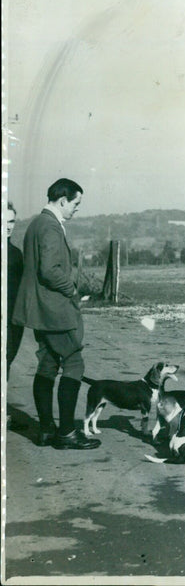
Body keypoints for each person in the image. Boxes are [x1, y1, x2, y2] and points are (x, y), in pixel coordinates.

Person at [12, 178, 101, 450]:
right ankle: (66, 433)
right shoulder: (50, 226)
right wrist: (72, 289)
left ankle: (47, 431)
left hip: (40, 310)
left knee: (49, 362)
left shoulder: (36, 224)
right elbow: (50, 271)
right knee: (73, 362)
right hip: (53, 309)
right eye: (76, 203)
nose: (77, 209)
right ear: (62, 201)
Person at [6, 202, 25, 371]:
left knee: (6, 365)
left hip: (13, 322)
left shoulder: (16, 254)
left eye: (11, 221)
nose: (7, 226)